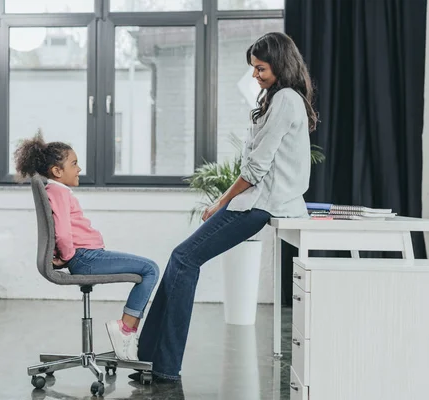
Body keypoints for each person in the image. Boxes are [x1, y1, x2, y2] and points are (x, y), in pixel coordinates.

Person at [134, 32, 318, 383]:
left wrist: (222, 201)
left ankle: (165, 367)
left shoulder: (286, 101)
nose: (255, 75)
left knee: (185, 259)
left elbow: (256, 168)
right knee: (180, 258)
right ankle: (149, 357)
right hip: (259, 200)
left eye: (260, 68)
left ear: (280, 64)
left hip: (260, 204)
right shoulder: (279, 99)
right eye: (253, 68)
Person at [14, 134, 160, 362]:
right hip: (86, 258)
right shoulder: (60, 191)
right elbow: (62, 231)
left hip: (86, 256)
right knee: (150, 269)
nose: (79, 168)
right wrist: (69, 255)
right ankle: (126, 329)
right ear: (57, 171)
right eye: (74, 164)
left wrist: (65, 256)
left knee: (148, 268)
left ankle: (127, 330)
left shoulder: (53, 190)